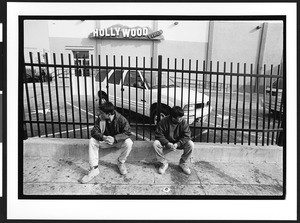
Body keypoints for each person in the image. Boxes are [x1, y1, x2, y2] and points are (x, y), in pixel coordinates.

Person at [81, 102, 133, 184]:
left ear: (108, 114)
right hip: (105, 141)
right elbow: (94, 132)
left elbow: (128, 132)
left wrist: (115, 139)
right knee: (92, 141)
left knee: (129, 143)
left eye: (101, 113)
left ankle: (121, 162)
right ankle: (94, 169)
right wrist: (104, 137)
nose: (99, 114)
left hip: (117, 142)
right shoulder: (101, 118)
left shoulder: (121, 119)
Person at [153, 106, 194, 175]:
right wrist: (167, 143)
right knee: (156, 143)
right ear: (173, 117)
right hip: (167, 142)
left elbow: (187, 136)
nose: (182, 119)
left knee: (191, 144)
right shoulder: (164, 121)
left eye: (182, 117)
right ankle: (163, 163)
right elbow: (158, 135)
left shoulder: (183, 122)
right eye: (179, 117)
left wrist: (177, 144)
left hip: (178, 143)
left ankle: (183, 163)